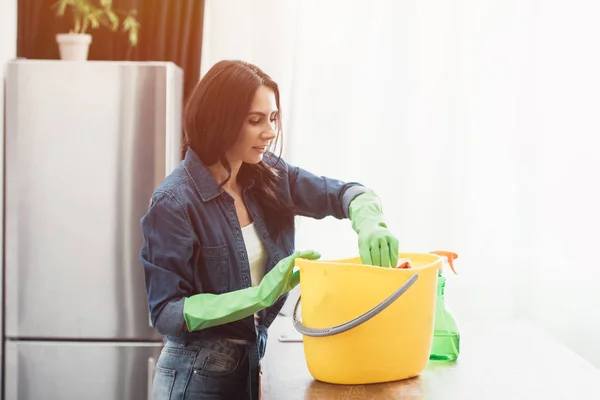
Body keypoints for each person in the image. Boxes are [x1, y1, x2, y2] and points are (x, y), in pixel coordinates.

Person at [139, 60, 399, 400]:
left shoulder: (269, 175)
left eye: (273, 117)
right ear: (220, 120)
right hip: (194, 374)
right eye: (255, 120)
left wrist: (369, 222)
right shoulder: (174, 201)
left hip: (249, 360)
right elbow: (166, 311)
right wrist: (258, 296)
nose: (270, 132)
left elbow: (343, 193)